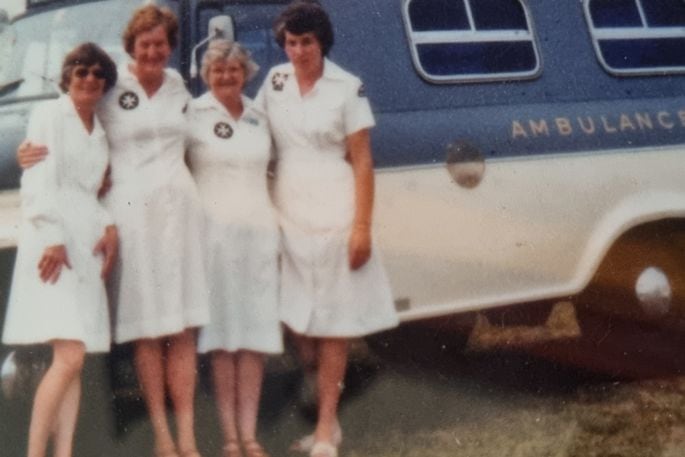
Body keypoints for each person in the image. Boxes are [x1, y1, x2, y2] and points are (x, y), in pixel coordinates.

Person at [17, 6, 209, 457]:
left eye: (161, 43)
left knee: (183, 329)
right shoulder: (108, 85)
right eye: (145, 44)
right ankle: (161, 439)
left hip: (179, 212)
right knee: (146, 329)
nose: (154, 51)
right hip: (131, 217)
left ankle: (187, 439)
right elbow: (71, 118)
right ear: (131, 46)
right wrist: (28, 151)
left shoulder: (179, 86)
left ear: (171, 45)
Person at [255, 2, 399, 456]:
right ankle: (326, 411)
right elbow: (247, 124)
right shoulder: (275, 81)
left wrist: (361, 227)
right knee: (299, 320)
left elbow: (362, 161)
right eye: (291, 43)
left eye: (307, 43)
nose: (298, 52)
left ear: (322, 43)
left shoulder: (346, 88)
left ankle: (325, 432)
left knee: (333, 324)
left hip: (335, 210)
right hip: (287, 211)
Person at [2, 42, 118, 457]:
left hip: (86, 244)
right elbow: (36, 181)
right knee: (68, 353)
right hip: (53, 240)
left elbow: (91, 191)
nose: (89, 79)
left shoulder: (100, 129)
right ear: (67, 76)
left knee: (76, 356)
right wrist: (51, 236)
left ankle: (64, 451)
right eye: (81, 71)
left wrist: (108, 226)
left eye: (97, 74)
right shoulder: (48, 114)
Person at [186, 39, 281, 457]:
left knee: (254, 338)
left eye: (234, 70)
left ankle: (251, 435)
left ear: (246, 73)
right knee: (223, 340)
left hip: (258, 236)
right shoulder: (192, 115)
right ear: (206, 76)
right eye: (218, 70)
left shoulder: (261, 116)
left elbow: (276, 169)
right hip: (214, 241)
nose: (227, 77)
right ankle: (228, 437)